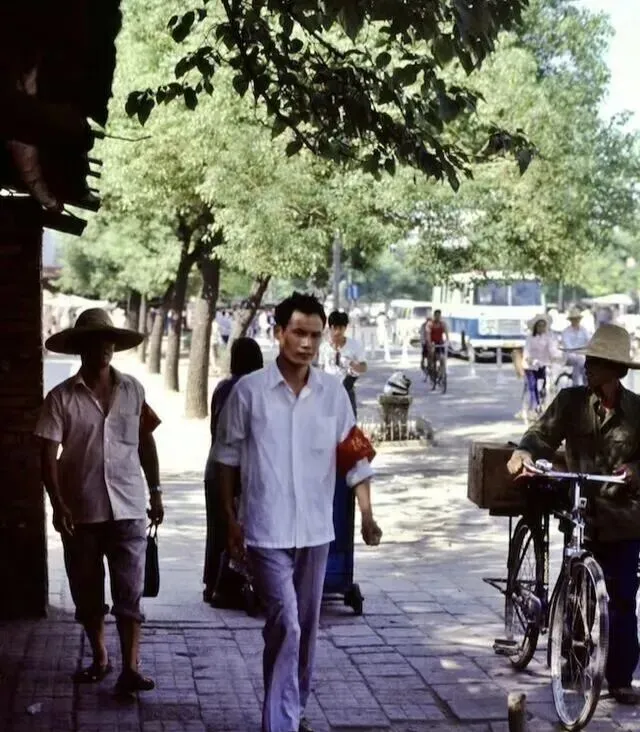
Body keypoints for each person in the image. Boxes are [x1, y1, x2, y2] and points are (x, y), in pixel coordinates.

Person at [214, 292, 382, 732]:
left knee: (303, 628)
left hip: (315, 531)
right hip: (264, 530)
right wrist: (231, 521)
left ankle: (294, 706)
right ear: (279, 333)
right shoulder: (249, 392)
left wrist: (367, 515)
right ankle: (282, 723)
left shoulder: (333, 394)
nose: (307, 343)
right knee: (286, 621)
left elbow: (356, 457)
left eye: (314, 335)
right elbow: (225, 461)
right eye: (298, 333)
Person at [507, 324, 640, 705]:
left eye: (596, 361)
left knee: (622, 600)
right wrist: (525, 452)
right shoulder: (571, 401)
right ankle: (572, 658)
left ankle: (620, 677)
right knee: (578, 591)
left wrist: (636, 470)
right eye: (588, 360)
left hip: (625, 518)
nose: (588, 366)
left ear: (616, 369)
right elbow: (541, 434)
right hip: (582, 511)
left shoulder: (637, 411)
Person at [34, 309, 164, 694]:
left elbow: (146, 442)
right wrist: (58, 504)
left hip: (129, 507)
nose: (104, 347)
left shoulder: (133, 390)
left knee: (130, 592)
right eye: (95, 341)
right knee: (88, 592)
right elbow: (47, 456)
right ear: (81, 348)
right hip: (82, 511)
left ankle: (132, 668)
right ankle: (101, 657)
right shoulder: (60, 398)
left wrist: (156, 490)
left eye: (109, 340)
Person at [203, 337, 264, 606]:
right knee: (235, 528)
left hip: (215, 467)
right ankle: (226, 587)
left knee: (217, 529)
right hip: (237, 471)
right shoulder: (252, 390)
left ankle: (211, 583)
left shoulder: (222, 388)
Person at [317, 310, 367, 417]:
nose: (337, 332)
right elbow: (320, 369)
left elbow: (364, 367)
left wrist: (351, 364)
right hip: (329, 392)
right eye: (334, 328)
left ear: (345, 328)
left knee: (349, 422)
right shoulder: (324, 347)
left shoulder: (354, 346)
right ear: (330, 328)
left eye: (340, 328)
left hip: (346, 389)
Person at [522, 314, 558, 417]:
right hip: (531, 365)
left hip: (543, 364)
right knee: (532, 385)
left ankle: (543, 401)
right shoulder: (530, 338)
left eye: (543, 326)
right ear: (535, 327)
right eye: (539, 325)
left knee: (544, 385)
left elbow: (552, 350)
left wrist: (555, 357)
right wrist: (529, 359)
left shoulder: (548, 338)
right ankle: (535, 405)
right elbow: (527, 351)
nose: (541, 328)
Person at [561, 307, 590, 386]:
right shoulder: (566, 332)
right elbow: (568, 347)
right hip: (569, 356)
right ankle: (576, 384)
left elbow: (589, 342)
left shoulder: (584, 330)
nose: (576, 320)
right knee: (579, 360)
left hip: (582, 355)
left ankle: (586, 383)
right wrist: (579, 354)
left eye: (577, 319)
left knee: (584, 361)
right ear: (571, 320)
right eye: (574, 319)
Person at [426, 309, 448, 383]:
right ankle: (432, 370)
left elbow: (446, 333)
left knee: (442, 359)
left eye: (439, 316)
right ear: (434, 316)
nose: (438, 317)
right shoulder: (430, 324)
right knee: (432, 357)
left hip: (440, 343)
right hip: (432, 343)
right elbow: (428, 334)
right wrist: (429, 343)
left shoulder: (442, 324)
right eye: (436, 316)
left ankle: (441, 373)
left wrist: (447, 341)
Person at [419, 313, 432, 378]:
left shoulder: (432, 325)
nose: (429, 321)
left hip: (431, 343)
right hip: (425, 343)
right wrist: (424, 342)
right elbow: (422, 334)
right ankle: (423, 365)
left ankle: (432, 366)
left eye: (430, 319)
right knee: (424, 355)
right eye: (428, 319)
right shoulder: (423, 325)